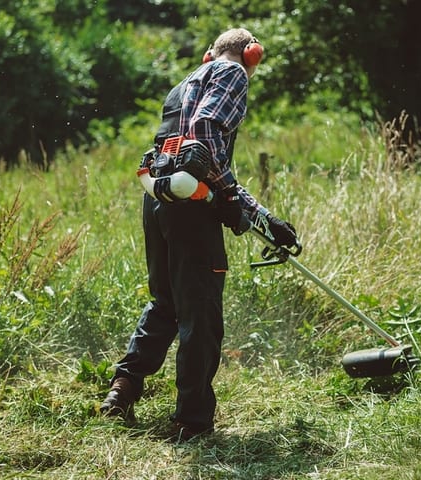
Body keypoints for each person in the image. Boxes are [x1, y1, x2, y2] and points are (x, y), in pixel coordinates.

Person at [100, 27, 298, 441]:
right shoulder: (233, 73)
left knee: (167, 304)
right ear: (252, 54)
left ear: (209, 53)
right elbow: (207, 132)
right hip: (191, 209)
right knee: (201, 314)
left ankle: (124, 387)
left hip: (157, 197)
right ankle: (191, 422)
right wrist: (228, 197)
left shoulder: (186, 81)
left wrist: (261, 217)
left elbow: (191, 151)